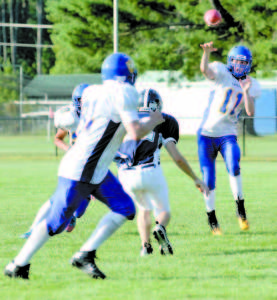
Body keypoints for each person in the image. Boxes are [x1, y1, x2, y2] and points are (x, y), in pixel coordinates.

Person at [4, 52, 164, 280]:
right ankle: (17, 265)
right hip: (82, 168)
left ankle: (85, 255)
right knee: (56, 223)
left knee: (125, 208)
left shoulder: (91, 91)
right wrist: (154, 120)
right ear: (126, 73)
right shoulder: (124, 91)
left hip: (95, 167)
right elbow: (135, 132)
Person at [114, 88, 209, 256]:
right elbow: (177, 157)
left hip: (126, 174)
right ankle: (160, 227)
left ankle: (146, 248)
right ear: (157, 104)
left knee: (143, 209)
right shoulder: (164, 120)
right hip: (150, 171)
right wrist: (195, 178)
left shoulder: (126, 119)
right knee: (163, 210)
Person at [198, 41, 261, 235]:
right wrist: (206, 53)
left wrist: (246, 91)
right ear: (229, 61)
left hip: (228, 133)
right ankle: (212, 220)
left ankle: (240, 211)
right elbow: (205, 70)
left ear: (248, 64)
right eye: (236, 61)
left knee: (234, 166)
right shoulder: (221, 71)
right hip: (207, 133)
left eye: (244, 62)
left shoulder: (252, 83)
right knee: (209, 179)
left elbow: (250, 112)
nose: (240, 66)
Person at [20, 83, 91, 239]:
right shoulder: (72, 119)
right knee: (58, 197)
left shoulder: (100, 117)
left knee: (80, 209)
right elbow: (58, 139)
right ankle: (33, 229)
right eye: (82, 101)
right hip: (76, 163)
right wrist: (69, 149)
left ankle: (70, 214)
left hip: (93, 165)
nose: (85, 104)